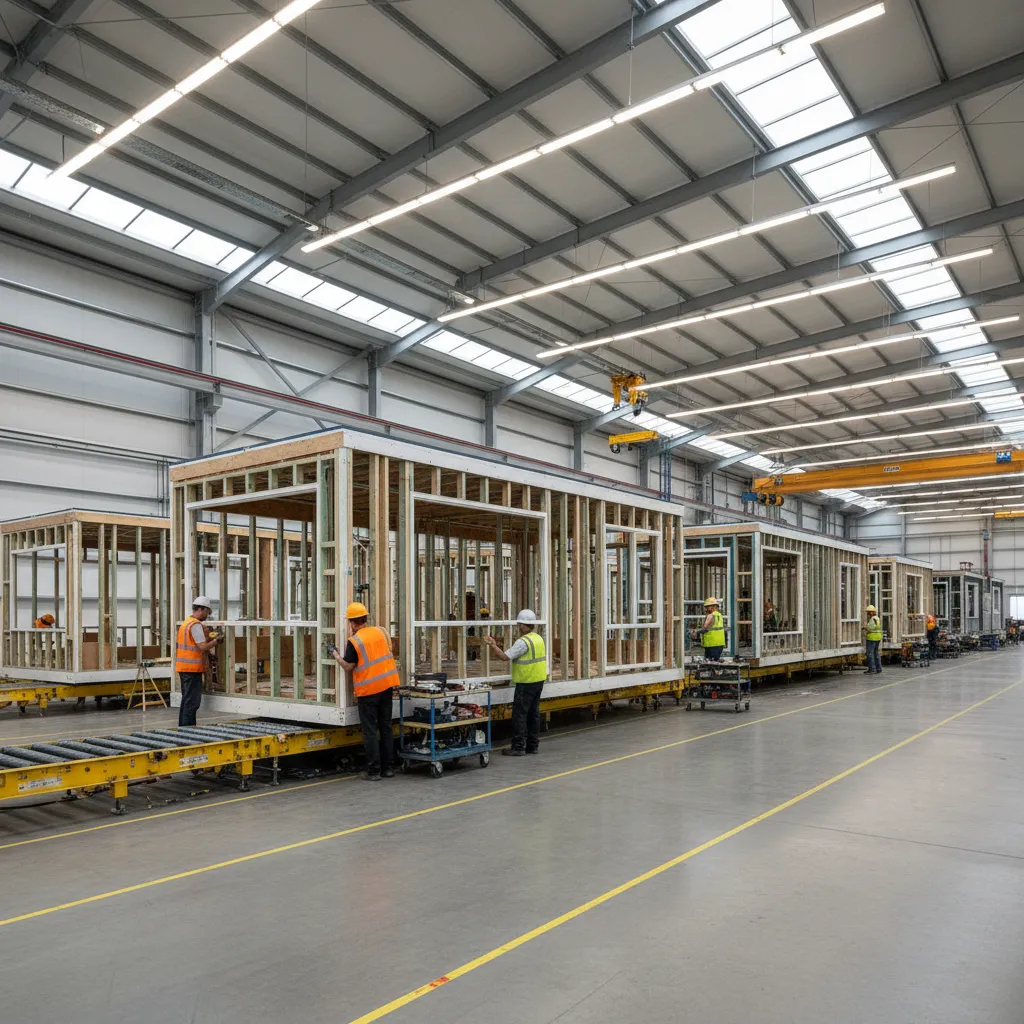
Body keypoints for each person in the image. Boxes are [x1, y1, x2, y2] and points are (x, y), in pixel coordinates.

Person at [329, 602, 399, 780]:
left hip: (368, 691)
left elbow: (348, 666)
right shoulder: (382, 632)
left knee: (369, 732)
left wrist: (335, 653)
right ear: (366, 619)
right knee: (386, 728)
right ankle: (389, 769)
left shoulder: (354, 641)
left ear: (352, 623)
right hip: (387, 686)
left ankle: (374, 771)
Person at [486, 608, 546, 757]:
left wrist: (493, 645)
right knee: (534, 714)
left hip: (526, 682)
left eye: (520, 624)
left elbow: (505, 657)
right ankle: (533, 746)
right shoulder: (538, 638)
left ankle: (518, 747)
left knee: (519, 714)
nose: (519, 627)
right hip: (538, 681)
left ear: (525, 625)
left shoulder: (523, 642)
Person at [175, 596, 221, 727]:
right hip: (192, 669)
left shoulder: (186, 623)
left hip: (184, 668)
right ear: (201, 609)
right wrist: (216, 641)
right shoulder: (195, 625)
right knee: (192, 702)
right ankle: (188, 729)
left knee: (186, 700)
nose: (208, 615)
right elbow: (202, 646)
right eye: (207, 612)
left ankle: (184, 727)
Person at [699, 596, 725, 661]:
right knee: (715, 662)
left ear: (712, 606)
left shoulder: (710, 615)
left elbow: (705, 629)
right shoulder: (719, 615)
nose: (706, 609)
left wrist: (695, 632)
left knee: (710, 663)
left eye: (707, 607)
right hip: (720, 643)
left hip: (711, 644)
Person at [864, 604, 883, 674]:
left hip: (872, 638)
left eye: (868, 612)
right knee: (876, 654)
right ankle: (878, 668)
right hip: (877, 637)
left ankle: (872, 669)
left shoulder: (873, 619)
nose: (867, 614)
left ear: (871, 612)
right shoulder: (877, 618)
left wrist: (865, 628)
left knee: (870, 654)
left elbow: (871, 628)